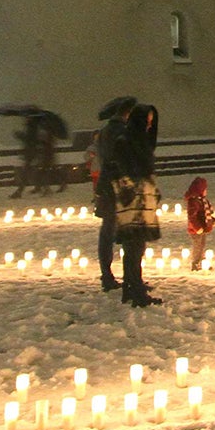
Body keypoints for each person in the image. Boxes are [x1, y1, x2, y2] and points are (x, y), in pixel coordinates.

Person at [110, 104, 164, 307]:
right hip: (133, 202)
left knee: (136, 247)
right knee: (133, 246)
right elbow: (123, 170)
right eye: (147, 121)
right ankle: (135, 290)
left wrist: (152, 190)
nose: (150, 126)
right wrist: (133, 188)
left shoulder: (141, 141)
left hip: (143, 200)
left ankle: (132, 287)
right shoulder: (125, 141)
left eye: (152, 122)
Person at [88, 103, 130, 291]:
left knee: (107, 231)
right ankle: (130, 278)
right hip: (119, 187)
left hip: (106, 185)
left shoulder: (105, 131)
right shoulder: (121, 131)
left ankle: (107, 274)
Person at [183, 176, 215, 268]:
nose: (206, 191)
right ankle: (196, 263)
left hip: (202, 227)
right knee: (198, 246)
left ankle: (202, 261)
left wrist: (212, 220)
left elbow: (204, 214)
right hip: (196, 229)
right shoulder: (194, 201)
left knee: (202, 245)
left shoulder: (201, 200)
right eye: (205, 189)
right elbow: (192, 217)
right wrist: (197, 227)